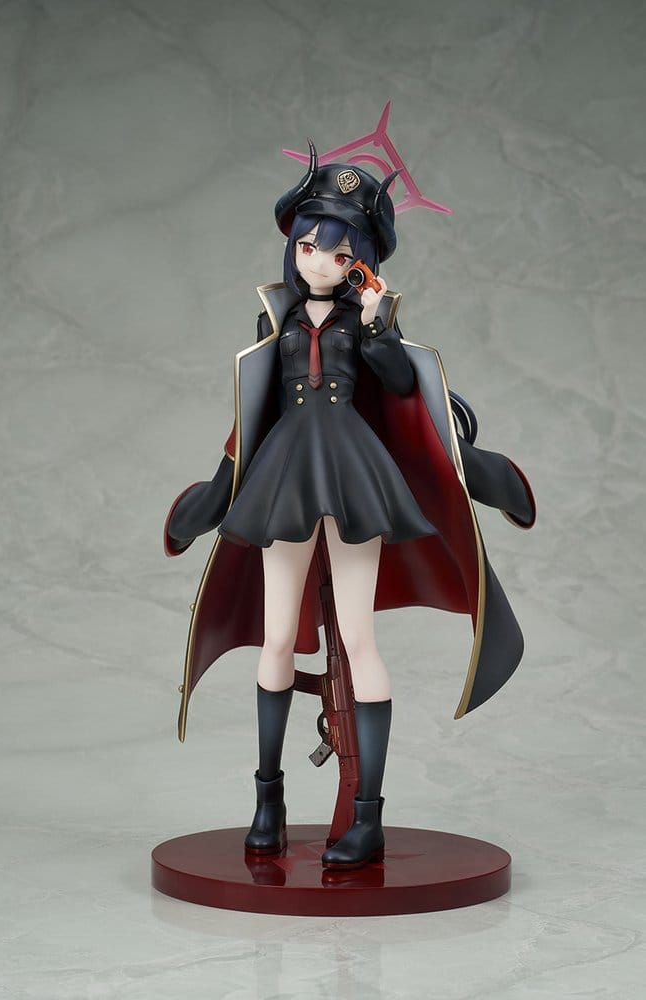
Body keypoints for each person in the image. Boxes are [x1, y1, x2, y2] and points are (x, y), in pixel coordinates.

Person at [164, 142, 536, 870]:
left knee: (359, 638)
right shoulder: (275, 319)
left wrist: (374, 321)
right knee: (277, 638)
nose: (317, 262)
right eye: (307, 246)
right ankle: (267, 801)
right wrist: (216, 491)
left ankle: (367, 819)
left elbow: (397, 383)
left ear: (358, 260)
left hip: (353, 473)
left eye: (336, 252)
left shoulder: (365, 321)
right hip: (284, 473)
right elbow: (254, 412)